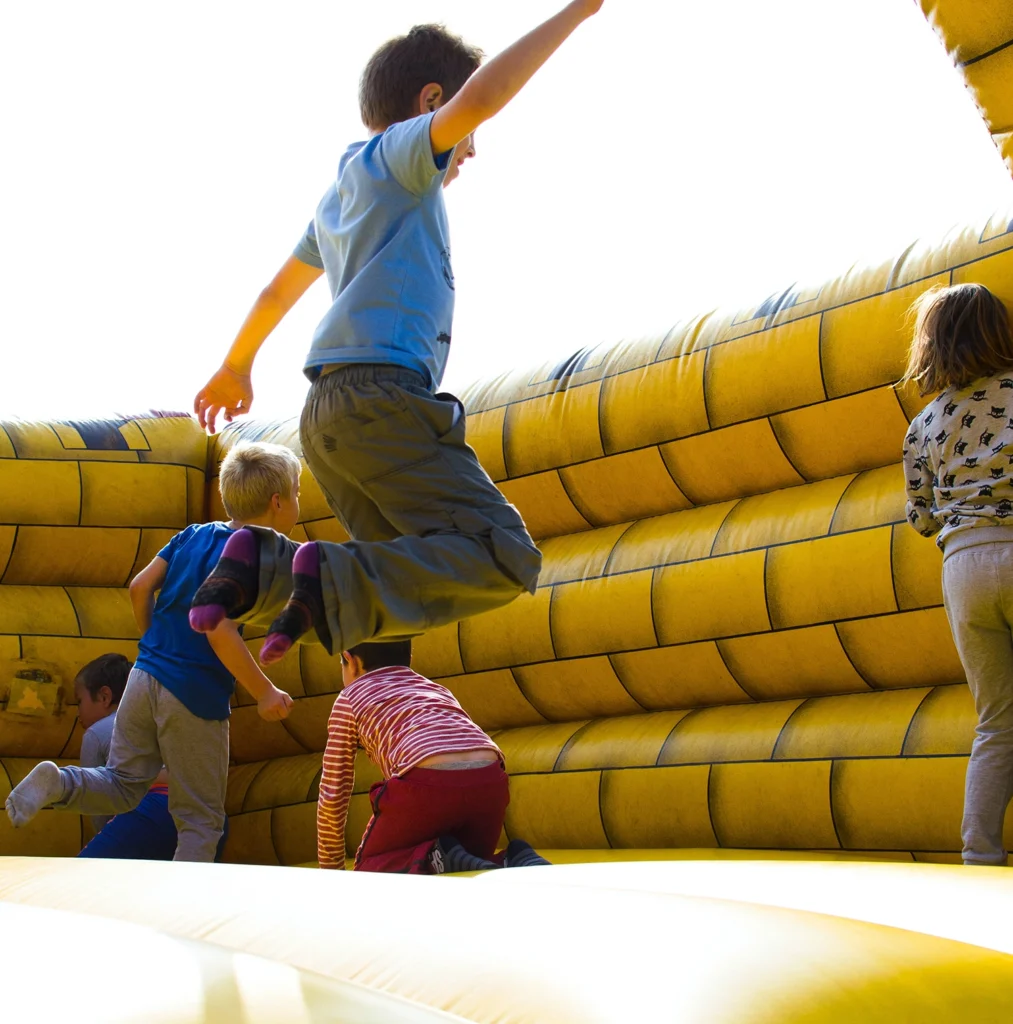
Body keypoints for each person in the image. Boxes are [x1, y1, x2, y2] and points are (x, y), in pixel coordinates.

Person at [187, 3, 605, 664]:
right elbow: (486, 96)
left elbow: (277, 289)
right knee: (501, 555)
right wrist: (577, 13)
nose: (471, 148)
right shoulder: (402, 158)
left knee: (388, 590)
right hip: (382, 399)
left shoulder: (341, 194)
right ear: (432, 100)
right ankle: (319, 576)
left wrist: (235, 366)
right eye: (463, 130)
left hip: (326, 415)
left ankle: (271, 571)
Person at [5, 443, 299, 861]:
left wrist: (154, 647)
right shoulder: (256, 555)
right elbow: (218, 628)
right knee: (200, 820)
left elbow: (139, 587)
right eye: (298, 492)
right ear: (277, 502)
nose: (299, 502)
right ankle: (183, 912)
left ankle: (60, 782)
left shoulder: (193, 535)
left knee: (123, 784)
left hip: (144, 677)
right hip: (194, 693)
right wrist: (264, 691)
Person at [902, 282, 1013, 866]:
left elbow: (920, 516)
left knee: (997, 722)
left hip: (964, 565)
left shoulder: (924, 423)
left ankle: (980, 858)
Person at [318, 639, 548, 872]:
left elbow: (334, 791)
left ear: (350, 660)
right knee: (468, 861)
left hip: (425, 782)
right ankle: (514, 858)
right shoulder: (435, 690)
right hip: (490, 780)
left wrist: (331, 872)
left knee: (371, 871)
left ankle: (432, 858)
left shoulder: (349, 698)